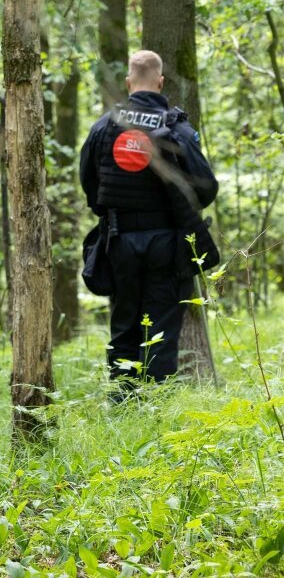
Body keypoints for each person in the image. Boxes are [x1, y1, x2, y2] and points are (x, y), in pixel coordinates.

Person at [79, 50, 218, 400]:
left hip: (119, 240)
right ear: (160, 82)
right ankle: (155, 406)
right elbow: (206, 187)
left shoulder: (104, 126)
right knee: (161, 327)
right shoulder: (177, 128)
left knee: (124, 323)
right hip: (166, 244)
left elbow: (89, 183)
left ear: (129, 83)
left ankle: (122, 403)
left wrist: (113, 211)